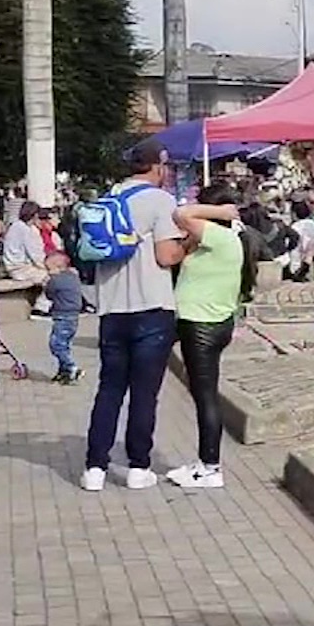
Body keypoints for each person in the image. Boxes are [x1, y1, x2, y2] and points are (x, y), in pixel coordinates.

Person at [83, 139, 185, 493]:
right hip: (151, 308)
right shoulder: (160, 201)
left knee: (109, 389)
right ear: (159, 165)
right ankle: (138, 465)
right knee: (144, 393)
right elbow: (165, 256)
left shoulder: (108, 198)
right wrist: (190, 242)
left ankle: (95, 467)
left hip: (111, 310)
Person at [169, 184, 249, 489]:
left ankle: (210, 467)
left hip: (202, 324)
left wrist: (221, 211)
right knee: (203, 394)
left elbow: (180, 213)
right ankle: (205, 463)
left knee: (205, 397)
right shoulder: (218, 240)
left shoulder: (220, 236)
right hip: (206, 322)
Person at [44, 252, 84, 384]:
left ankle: (72, 367)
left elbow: (49, 294)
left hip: (62, 315)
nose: (48, 272)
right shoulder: (73, 277)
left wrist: (48, 283)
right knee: (64, 345)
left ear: (58, 267)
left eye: (49, 269)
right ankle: (63, 372)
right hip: (74, 316)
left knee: (56, 345)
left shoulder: (56, 280)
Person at [2, 201, 50, 285]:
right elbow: (36, 255)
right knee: (52, 278)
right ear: (35, 215)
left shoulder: (15, 226)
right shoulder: (26, 230)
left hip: (12, 266)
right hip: (20, 269)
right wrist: (49, 267)